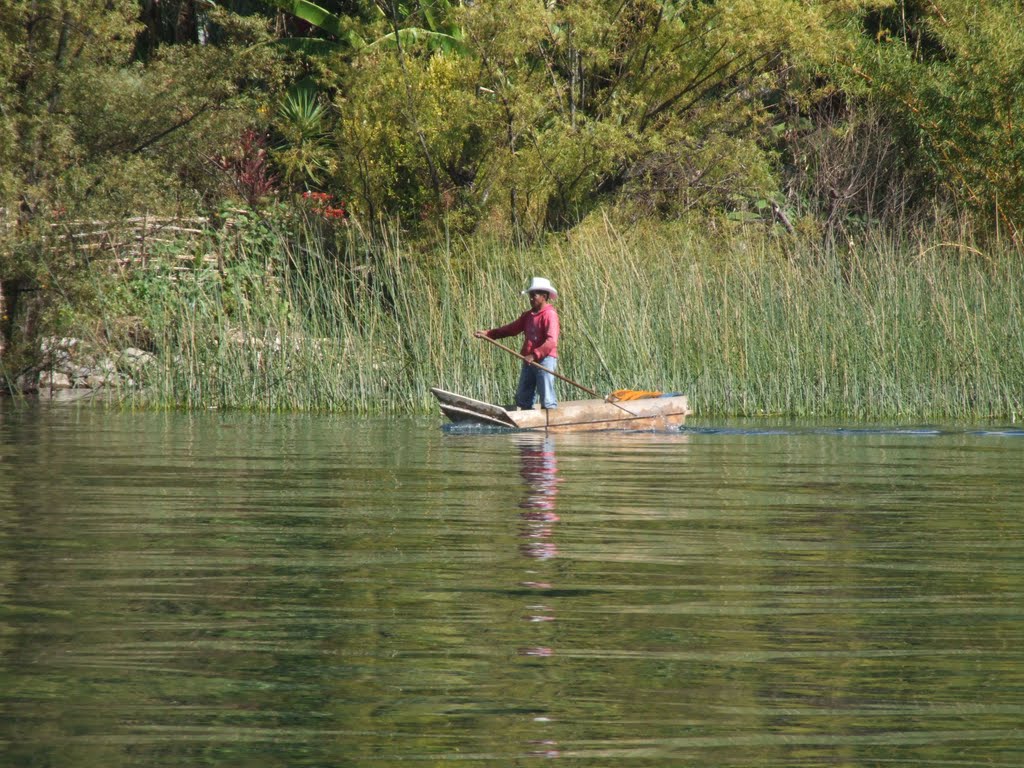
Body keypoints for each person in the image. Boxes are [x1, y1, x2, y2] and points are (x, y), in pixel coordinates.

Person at [475, 277, 560, 410]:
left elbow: (551, 342)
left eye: (534, 296)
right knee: (523, 397)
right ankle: (526, 418)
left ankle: (551, 420)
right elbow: (511, 329)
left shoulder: (549, 315)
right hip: (529, 360)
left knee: (547, 398)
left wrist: (534, 355)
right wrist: (489, 334)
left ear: (544, 296)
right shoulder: (528, 316)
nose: (531, 299)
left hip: (545, 360)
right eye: (530, 296)